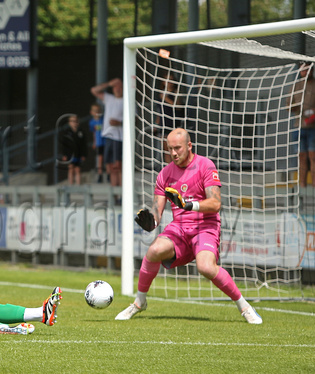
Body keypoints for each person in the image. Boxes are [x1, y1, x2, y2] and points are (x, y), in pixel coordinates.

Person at [117, 128, 262, 324]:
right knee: (154, 250)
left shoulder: (205, 166)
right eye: (170, 149)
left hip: (205, 226)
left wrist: (188, 205)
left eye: (177, 148)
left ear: (189, 146)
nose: (174, 153)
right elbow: (157, 210)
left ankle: (244, 306)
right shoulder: (165, 174)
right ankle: (139, 302)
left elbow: (216, 204)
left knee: (205, 267)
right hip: (180, 228)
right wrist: (151, 221)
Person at [91, 78, 123, 188]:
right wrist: (109, 83)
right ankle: (114, 195)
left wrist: (119, 122)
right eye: (115, 87)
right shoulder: (109, 98)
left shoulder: (127, 101)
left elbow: (135, 120)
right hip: (107, 136)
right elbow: (94, 90)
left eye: (120, 87)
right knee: (109, 167)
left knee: (118, 166)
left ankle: (122, 195)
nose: (117, 89)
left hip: (119, 137)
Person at [290, 63, 315, 187]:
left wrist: (313, 114)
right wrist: (295, 107)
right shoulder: (296, 85)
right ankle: (302, 185)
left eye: (309, 69)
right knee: (302, 157)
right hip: (299, 126)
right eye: (304, 70)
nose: (306, 72)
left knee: (313, 156)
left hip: (313, 127)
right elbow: (288, 104)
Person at [156, 72, 185, 164]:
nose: (169, 82)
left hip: (174, 124)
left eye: (171, 80)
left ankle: (177, 169)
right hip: (164, 124)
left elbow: (178, 106)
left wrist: (166, 98)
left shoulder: (176, 93)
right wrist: (156, 124)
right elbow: (159, 110)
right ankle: (169, 170)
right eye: (167, 80)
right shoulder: (161, 94)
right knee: (166, 150)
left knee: (176, 150)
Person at [60, 114, 87, 185]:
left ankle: (78, 185)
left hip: (78, 153)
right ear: (69, 122)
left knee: (78, 169)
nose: (75, 123)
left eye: (76, 121)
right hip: (70, 154)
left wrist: (84, 154)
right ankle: (71, 185)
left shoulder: (81, 132)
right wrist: (64, 154)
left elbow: (83, 145)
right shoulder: (66, 132)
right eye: (73, 121)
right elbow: (64, 145)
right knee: (71, 169)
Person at [88, 103, 106, 183]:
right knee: (100, 158)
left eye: (98, 110)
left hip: (105, 141)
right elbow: (94, 133)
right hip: (99, 142)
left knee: (107, 158)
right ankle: (100, 174)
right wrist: (94, 142)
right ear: (91, 112)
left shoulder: (103, 120)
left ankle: (108, 173)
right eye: (95, 111)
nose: (97, 112)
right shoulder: (92, 122)